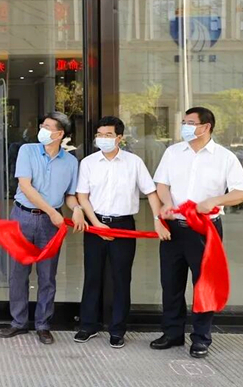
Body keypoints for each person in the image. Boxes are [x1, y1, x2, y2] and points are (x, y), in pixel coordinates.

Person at [150, 107, 243, 359]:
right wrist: (166, 203)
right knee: (170, 282)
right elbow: (162, 184)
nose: (184, 126)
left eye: (190, 122)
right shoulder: (173, 152)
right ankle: (172, 333)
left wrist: (215, 200)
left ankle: (201, 338)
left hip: (205, 229)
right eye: (184, 122)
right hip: (174, 227)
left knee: (204, 284)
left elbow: (242, 193)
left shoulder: (225, 157)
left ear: (206, 127)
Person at [73, 116, 168, 349]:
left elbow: (151, 192)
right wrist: (96, 224)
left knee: (121, 278)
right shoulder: (88, 163)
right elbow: (82, 196)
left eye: (108, 135)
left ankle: (117, 329)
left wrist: (158, 220)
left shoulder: (133, 162)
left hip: (123, 226)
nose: (102, 139)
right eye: (99, 134)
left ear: (119, 138)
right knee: (92, 275)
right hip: (95, 225)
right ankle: (88, 325)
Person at [0, 111, 85, 345]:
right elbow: (26, 187)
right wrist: (53, 212)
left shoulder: (71, 162)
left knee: (47, 275)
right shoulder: (27, 151)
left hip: (50, 224)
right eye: (42, 126)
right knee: (19, 273)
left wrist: (76, 208)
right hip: (23, 217)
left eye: (47, 127)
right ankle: (18, 322)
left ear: (60, 134)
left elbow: (70, 195)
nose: (42, 130)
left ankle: (43, 325)